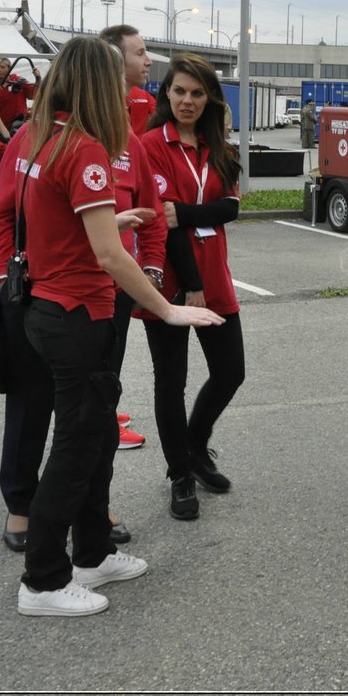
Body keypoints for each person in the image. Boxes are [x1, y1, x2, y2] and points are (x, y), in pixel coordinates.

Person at [0, 35, 221, 618]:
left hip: (55, 306)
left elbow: (51, 219)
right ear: (99, 84)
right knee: (76, 447)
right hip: (76, 313)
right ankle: (43, 580)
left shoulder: (44, 138)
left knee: (92, 440)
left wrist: (112, 216)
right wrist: (167, 309)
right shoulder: (88, 149)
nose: (131, 89)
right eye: (119, 79)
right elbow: (109, 256)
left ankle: (91, 553)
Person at [138, 53, 247, 521]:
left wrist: (187, 210)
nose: (187, 100)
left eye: (197, 93)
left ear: (209, 99)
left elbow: (230, 208)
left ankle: (195, 446)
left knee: (230, 371)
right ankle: (180, 475)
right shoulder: (149, 146)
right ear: (167, 94)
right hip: (170, 278)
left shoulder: (217, 147)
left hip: (215, 274)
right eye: (179, 91)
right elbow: (165, 224)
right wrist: (193, 286)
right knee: (171, 381)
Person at [99, 23, 159, 453]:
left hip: (121, 269)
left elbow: (149, 202)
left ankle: (105, 411)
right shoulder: (82, 128)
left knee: (111, 354)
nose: (148, 60)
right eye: (140, 53)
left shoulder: (137, 110)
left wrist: (151, 265)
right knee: (96, 361)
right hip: (89, 274)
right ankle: (101, 421)